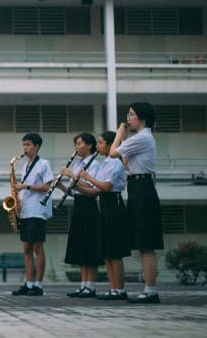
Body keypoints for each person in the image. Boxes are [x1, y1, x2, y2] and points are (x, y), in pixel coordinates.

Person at [109, 102, 163, 304]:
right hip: (137, 187)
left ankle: (150, 291)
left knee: (146, 244)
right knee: (142, 243)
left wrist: (119, 132)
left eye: (131, 114)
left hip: (142, 189)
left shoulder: (142, 137)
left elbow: (113, 152)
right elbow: (124, 162)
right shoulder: (140, 139)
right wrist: (123, 138)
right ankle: (149, 289)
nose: (128, 118)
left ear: (142, 118)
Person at [77, 131, 131, 301]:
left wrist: (86, 176)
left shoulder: (116, 162)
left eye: (100, 143)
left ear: (110, 145)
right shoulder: (105, 162)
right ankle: (112, 288)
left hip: (113, 204)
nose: (98, 146)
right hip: (104, 204)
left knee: (115, 252)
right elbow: (95, 191)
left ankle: (120, 289)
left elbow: (106, 186)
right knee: (107, 252)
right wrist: (76, 186)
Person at [11, 133, 54, 297]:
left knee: (37, 247)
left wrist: (26, 187)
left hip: (38, 210)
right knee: (26, 248)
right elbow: (24, 188)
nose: (25, 148)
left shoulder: (44, 164)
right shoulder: (25, 166)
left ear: (36, 146)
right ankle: (28, 283)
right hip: (26, 211)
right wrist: (19, 201)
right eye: (23, 145)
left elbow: (48, 186)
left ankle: (38, 284)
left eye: (28, 145)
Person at [62, 132, 103, 298]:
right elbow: (76, 191)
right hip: (79, 204)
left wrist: (72, 176)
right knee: (81, 245)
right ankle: (83, 285)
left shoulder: (95, 164)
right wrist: (61, 187)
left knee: (90, 245)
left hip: (90, 206)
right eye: (75, 145)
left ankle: (91, 286)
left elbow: (92, 187)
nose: (76, 147)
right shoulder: (78, 164)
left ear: (89, 145)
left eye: (79, 144)